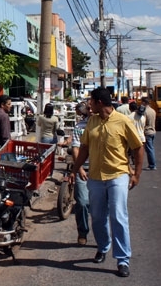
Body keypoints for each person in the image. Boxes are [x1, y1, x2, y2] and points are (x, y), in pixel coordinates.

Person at [70, 87, 144, 278]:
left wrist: (136, 174)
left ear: (99, 103)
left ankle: (122, 259)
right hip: (95, 177)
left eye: (91, 101)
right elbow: (84, 148)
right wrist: (74, 169)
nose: (88, 105)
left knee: (118, 216)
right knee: (98, 217)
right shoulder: (92, 122)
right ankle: (103, 247)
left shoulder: (123, 121)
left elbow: (138, 148)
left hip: (118, 175)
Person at [70, 102, 91, 246]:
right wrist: (80, 168)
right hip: (83, 169)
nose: (90, 110)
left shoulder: (106, 125)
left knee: (100, 207)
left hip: (101, 171)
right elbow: (76, 149)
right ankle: (82, 232)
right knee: (82, 202)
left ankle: (103, 238)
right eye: (88, 108)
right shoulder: (79, 127)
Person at [141, 97, 157, 170]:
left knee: (149, 149)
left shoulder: (145, 111)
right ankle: (152, 164)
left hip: (147, 131)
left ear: (144, 102)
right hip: (153, 131)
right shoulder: (153, 111)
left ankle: (152, 165)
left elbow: (143, 122)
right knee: (151, 148)